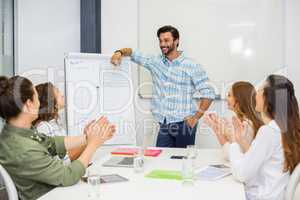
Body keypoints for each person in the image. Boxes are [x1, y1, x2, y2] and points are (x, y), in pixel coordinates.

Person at [0, 75, 115, 200]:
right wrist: (93, 145)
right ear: (29, 104)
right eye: (36, 97)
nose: (39, 102)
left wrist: (88, 137)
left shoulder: (15, 134)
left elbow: (52, 143)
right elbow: (67, 176)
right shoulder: (24, 149)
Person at [111, 25, 215, 148]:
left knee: (182, 162)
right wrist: (118, 52)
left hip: (184, 124)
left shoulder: (191, 65)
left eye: (166, 40)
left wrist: (195, 117)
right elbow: (132, 52)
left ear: (176, 41)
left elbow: (208, 93)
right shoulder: (155, 61)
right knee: (161, 159)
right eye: (160, 41)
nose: (162, 44)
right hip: (164, 123)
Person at [229, 75, 300, 200]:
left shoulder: (269, 131)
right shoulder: (285, 128)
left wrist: (233, 142)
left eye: (259, 90)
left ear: (268, 97)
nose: (255, 95)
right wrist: (242, 142)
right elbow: (258, 165)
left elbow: (241, 174)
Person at [204, 81, 263, 159]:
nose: (226, 98)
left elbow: (230, 156)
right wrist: (220, 127)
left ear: (238, 100)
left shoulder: (247, 125)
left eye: (229, 95)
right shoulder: (242, 120)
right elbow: (232, 146)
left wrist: (215, 128)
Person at [33, 82, 86, 161]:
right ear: (50, 101)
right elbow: (62, 164)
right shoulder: (44, 127)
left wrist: (87, 137)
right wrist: (88, 140)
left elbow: (67, 156)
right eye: (58, 92)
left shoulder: (55, 124)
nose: (62, 95)